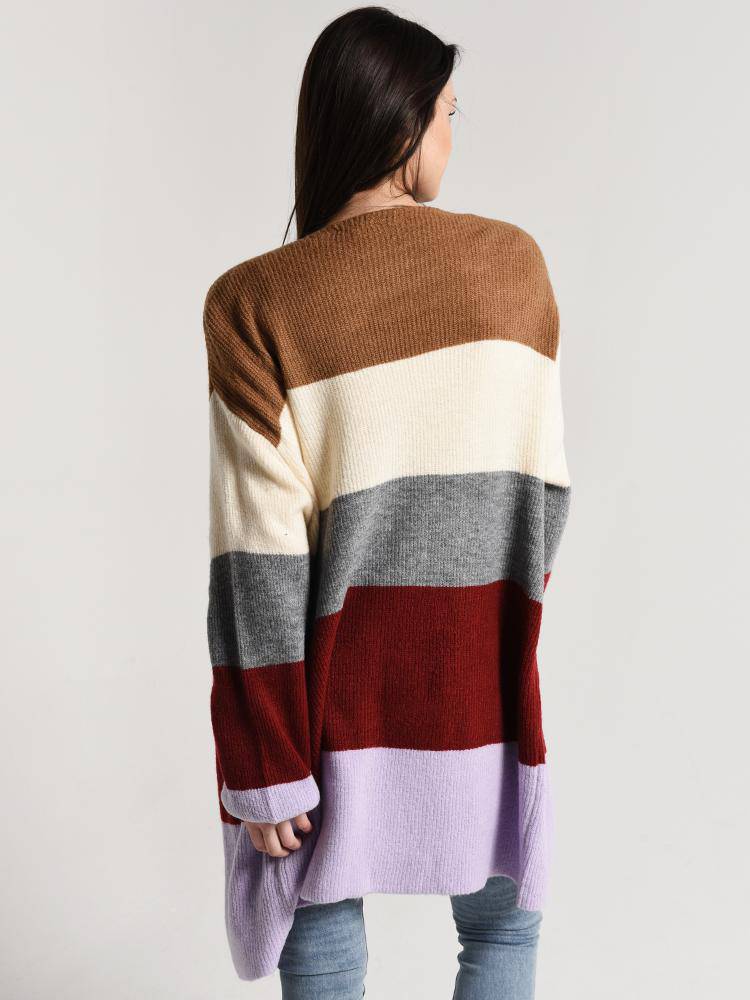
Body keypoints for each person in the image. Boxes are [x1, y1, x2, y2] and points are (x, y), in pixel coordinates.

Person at [201, 6, 571, 998]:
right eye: (448, 112)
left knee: (320, 942)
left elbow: (256, 561)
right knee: (502, 936)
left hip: (326, 710)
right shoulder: (516, 266)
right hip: (483, 686)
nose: (452, 133)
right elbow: (543, 500)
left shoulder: (256, 302)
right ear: (403, 123)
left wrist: (264, 759)